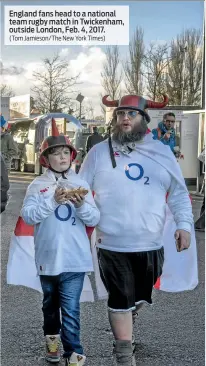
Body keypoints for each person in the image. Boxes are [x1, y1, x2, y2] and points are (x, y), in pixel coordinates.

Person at [79, 94, 193, 366]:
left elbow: (177, 192)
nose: (125, 118)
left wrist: (184, 225)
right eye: (120, 114)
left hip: (151, 243)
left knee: (139, 297)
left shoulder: (162, 152)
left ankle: (129, 317)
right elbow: (81, 188)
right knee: (120, 298)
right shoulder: (99, 152)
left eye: (131, 113)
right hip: (111, 243)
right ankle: (123, 354)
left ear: (144, 119)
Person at [20, 118, 100, 366]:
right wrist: (53, 201)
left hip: (75, 259)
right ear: (46, 159)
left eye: (66, 152)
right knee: (50, 306)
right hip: (48, 257)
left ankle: (74, 353)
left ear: (72, 156)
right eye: (56, 153)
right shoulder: (37, 185)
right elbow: (29, 216)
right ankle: (52, 339)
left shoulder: (81, 184)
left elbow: (94, 217)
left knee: (72, 310)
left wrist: (81, 205)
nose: (63, 157)